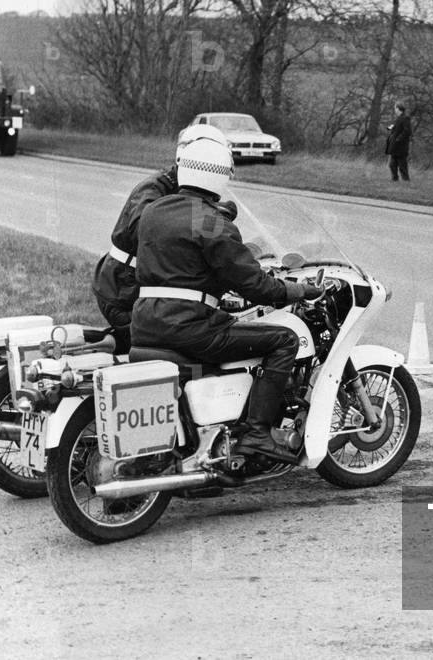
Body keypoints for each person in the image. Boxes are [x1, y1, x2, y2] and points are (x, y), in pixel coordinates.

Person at [131, 138, 322, 457]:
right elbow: (257, 287)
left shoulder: (154, 211)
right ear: (219, 176)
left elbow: (182, 264)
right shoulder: (208, 221)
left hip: (144, 324)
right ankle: (257, 433)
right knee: (284, 340)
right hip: (188, 329)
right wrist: (298, 290)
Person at [91, 124, 232, 353]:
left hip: (128, 287)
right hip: (122, 290)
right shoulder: (155, 188)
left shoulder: (187, 188)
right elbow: (151, 233)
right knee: (176, 349)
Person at [384, 102, 412, 181]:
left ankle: (406, 181)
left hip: (401, 147)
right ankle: (394, 179)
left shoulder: (405, 118)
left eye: (395, 108)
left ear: (399, 109)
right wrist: (390, 128)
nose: (394, 110)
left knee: (402, 165)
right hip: (395, 147)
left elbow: (407, 131)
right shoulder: (399, 118)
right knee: (392, 164)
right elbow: (398, 128)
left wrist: (398, 139)